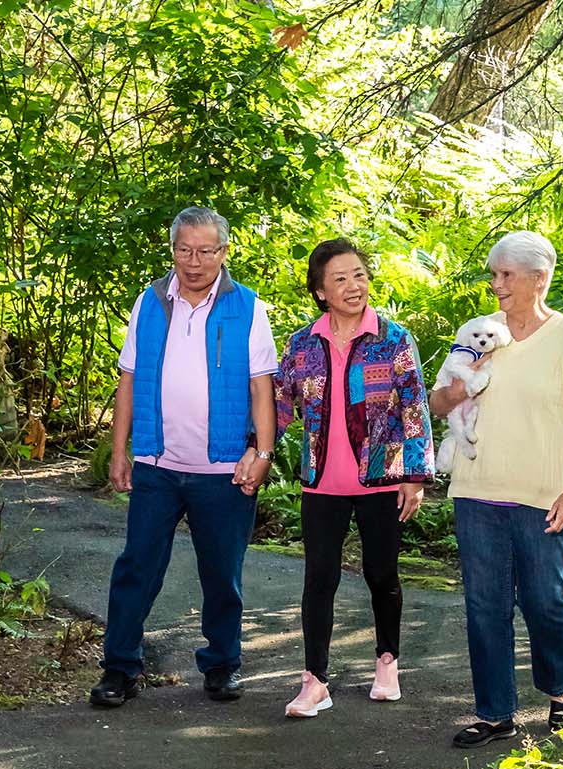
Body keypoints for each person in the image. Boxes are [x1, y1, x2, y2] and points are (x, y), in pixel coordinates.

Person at [427, 231, 563, 748]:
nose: (496, 284)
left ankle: (561, 697)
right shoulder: (478, 332)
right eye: (493, 274)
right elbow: (438, 404)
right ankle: (495, 714)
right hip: (476, 492)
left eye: (506, 274)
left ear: (540, 277)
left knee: (545, 602)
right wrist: (463, 385)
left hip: (544, 497)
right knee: (484, 605)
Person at [89, 207, 278, 709]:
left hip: (224, 469)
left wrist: (262, 451)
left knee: (222, 572)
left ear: (224, 252)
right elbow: (128, 378)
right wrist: (120, 450)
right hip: (157, 464)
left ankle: (222, 664)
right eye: (184, 250)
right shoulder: (149, 303)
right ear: (172, 249)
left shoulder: (249, 308)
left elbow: (263, 389)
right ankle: (120, 668)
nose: (193, 262)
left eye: (205, 251)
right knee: (137, 567)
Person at [273, 238, 435, 718]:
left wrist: (414, 474)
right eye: (340, 278)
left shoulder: (393, 338)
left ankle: (387, 662)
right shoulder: (303, 345)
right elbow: (280, 404)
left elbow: (414, 407)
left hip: (382, 478)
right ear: (320, 291)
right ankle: (314, 681)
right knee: (318, 579)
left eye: (359, 275)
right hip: (321, 482)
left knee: (381, 574)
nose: (353, 286)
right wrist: (252, 450)